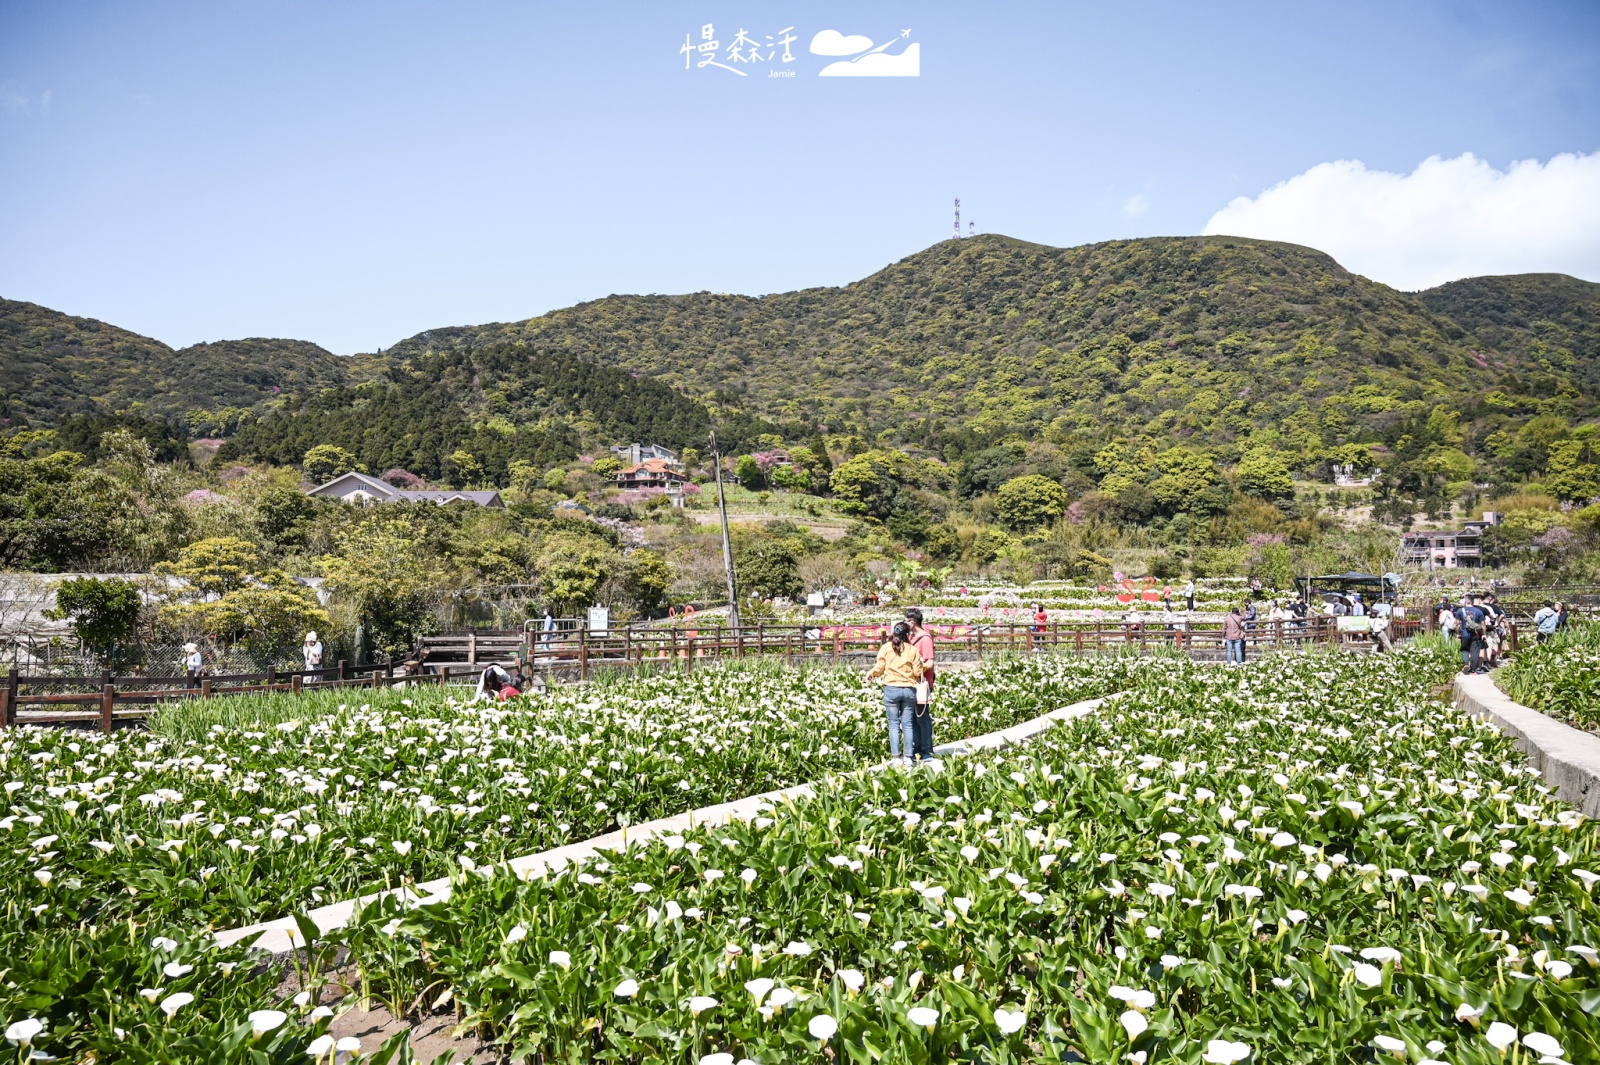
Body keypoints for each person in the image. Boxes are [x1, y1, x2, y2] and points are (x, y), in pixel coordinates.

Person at [868, 621, 927, 764]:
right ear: (908, 634)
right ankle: (908, 756)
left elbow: (879, 666)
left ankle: (896, 758)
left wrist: (871, 674)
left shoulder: (886, 648)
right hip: (908, 690)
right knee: (907, 725)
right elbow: (916, 672)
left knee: (893, 724)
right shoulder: (912, 649)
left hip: (891, 689)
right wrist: (922, 666)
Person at [905, 608, 937, 760]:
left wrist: (916, 667)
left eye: (906, 620)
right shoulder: (911, 638)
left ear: (912, 622)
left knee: (922, 718)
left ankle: (927, 750)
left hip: (922, 683)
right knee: (912, 718)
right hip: (911, 682)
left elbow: (930, 663)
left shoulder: (925, 639)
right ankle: (917, 748)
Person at [1454, 594, 1488, 675]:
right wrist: (1483, 634)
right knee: (1475, 652)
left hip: (1464, 634)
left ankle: (1466, 664)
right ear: (1473, 602)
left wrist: (1458, 633)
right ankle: (1473, 669)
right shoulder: (1479, 612)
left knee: (1465, 649)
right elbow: (1483, 625)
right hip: (1476, 634)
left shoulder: (1460, 611)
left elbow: (1458, 624)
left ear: (1465, 602)